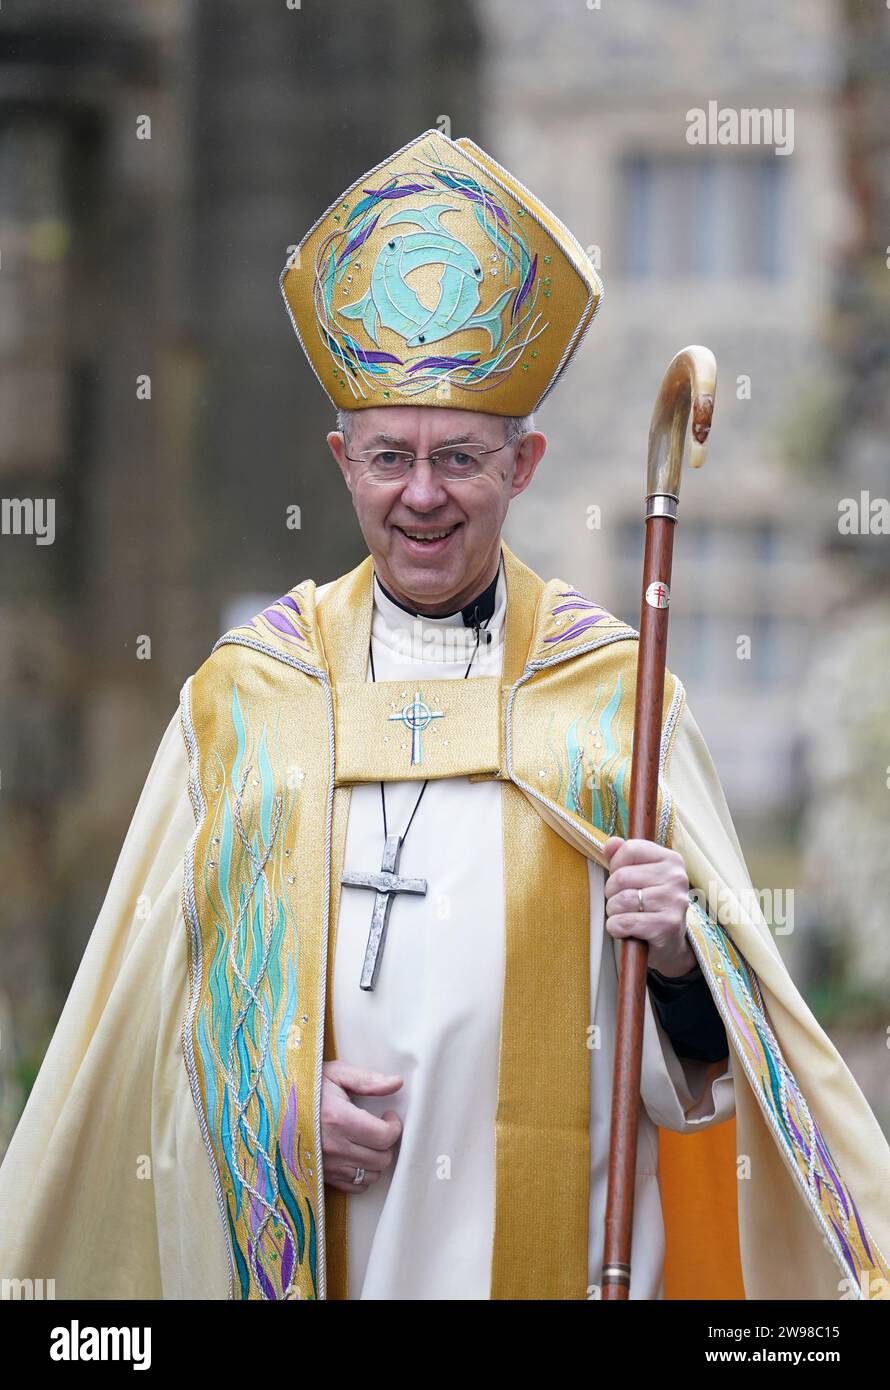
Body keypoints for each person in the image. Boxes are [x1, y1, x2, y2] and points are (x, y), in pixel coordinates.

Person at [1, 128, 888, 1303]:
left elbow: (701, 1085)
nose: (421, 495)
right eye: (389, 457)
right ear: (340, 460)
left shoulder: (612, 704)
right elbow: (131, 1037)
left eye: (459, 458)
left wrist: (676, 955)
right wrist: (268, 1100)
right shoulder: (242, 705)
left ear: (522, 467)